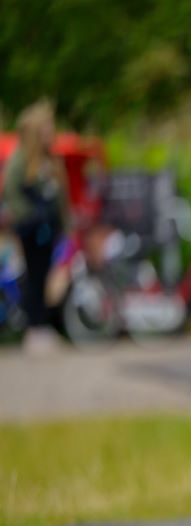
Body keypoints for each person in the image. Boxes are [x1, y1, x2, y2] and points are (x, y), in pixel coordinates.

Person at [2, 100, 70, 355]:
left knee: (43, 276)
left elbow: (60, 197)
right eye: (46, 127)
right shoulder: (20, 160)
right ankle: (34, 328)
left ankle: (41, 326)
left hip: (48, 228)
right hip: (30, 229)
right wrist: (30, 216)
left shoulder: (50, 160)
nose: (50, 132)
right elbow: (11, 193)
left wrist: (63, 223)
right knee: (33, 276)